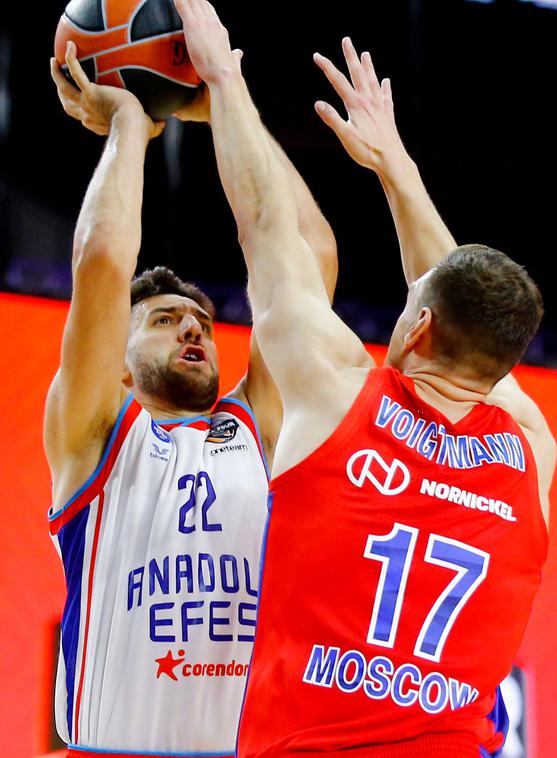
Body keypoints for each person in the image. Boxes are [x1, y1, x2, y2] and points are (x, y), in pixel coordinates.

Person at [173, 1, 555, 754]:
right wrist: (400, 173)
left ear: (416, 328)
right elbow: (463, 305)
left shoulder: (338, 392)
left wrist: (222, 77)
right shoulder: (530, 450)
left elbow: (269, 229)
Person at [42, 40, 337, 757]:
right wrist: (126, 128)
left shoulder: (255, 425)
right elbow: (104, 262)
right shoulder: (93, 436)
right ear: (117, 363)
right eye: (165, 321)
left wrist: (225, 109)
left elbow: (309, 249)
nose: (192, 329)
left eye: (201, 322)